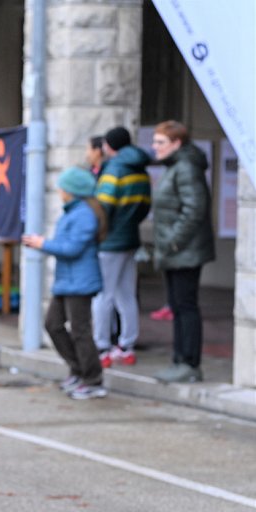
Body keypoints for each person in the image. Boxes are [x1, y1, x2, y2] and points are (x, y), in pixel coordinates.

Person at [23, 167, 108, 400]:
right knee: (53, 325)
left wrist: (42, 244)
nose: (59, 191)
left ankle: (93, 380)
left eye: (62, 187)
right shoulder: (74, 212)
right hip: (68, 281)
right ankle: (78, 370)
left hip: (80, 283)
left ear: (71, 191)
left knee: (81, 331)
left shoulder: (83, 215)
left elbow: (72, 248)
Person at [149, 120, 215, 383]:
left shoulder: (185, 167)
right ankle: (179, 361)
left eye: (160, 142)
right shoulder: (175, 167)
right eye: (154, 141)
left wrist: (174, 241)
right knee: (177, 306)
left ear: (176, 143)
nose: (155, 147)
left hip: (184, 251)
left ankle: (188, 363)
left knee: (186, 306)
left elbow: (195, 209)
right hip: (174, 250)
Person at [92, 126, 151, 368]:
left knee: (103, 296)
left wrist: (96, 232)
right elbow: (145, 205)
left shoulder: (114, 169)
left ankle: (101, 348)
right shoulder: (141, 169)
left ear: (109, 146)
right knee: (126, 295)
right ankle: (127, 347)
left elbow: (102, 207)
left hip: (109, 242)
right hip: (130, 239)